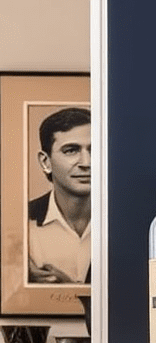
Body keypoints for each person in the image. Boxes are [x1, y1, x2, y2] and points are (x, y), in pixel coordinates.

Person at [27, 106, 91, 285]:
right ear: (45, 162)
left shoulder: (123, 222)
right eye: (71, 150)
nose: (86, 163)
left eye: (94, 150)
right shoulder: (20, 223)